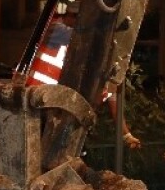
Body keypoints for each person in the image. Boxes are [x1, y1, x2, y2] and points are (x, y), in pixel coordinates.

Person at [27, 10, 141, 149]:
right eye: (76, 17)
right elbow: (83, 36)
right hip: (33, 104)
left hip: (52, 110)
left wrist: (126, 134)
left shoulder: (84, 53)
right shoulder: (55, 29)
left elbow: (111, 97)